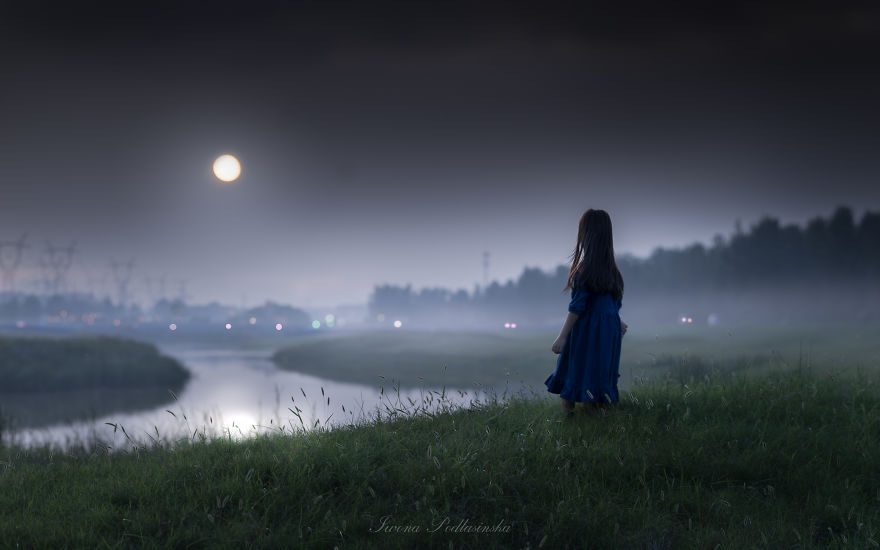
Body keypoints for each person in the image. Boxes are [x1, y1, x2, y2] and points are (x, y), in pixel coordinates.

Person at [545, 208, 627, 416]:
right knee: (599, 370)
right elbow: (613, 302)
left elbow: (577, 307)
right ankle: (596, 412)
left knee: (574, 367)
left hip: (588, 330)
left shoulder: (584, 271)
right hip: (608, 330)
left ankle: (568, 415)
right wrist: (617, 321)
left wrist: (562, 337)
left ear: (585, 236)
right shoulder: (613, 272)